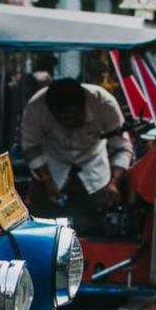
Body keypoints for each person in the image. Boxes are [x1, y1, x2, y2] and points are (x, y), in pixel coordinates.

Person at [21, 78, 134, 223]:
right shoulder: (36, 108)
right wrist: (48, 181)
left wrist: (113, 183)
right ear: (52, 113)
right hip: (50, 169)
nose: (69, 123)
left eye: (73, 117)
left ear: (83, 107)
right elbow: (30, 147)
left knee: (94, 226)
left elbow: (122, 146)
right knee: (42, 225)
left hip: (94, 172)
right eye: (63, 120)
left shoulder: (104, 104)